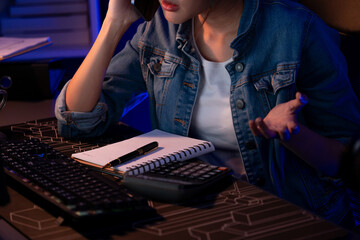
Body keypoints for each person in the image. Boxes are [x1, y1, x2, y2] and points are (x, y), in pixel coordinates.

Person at [55, 0, 360, 229]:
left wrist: (293, 134)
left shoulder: (297, 30)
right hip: (199, 211)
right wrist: (113, 23)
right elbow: (79, 120)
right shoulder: (161, 29)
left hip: (289, 218)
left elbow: (344, 162)